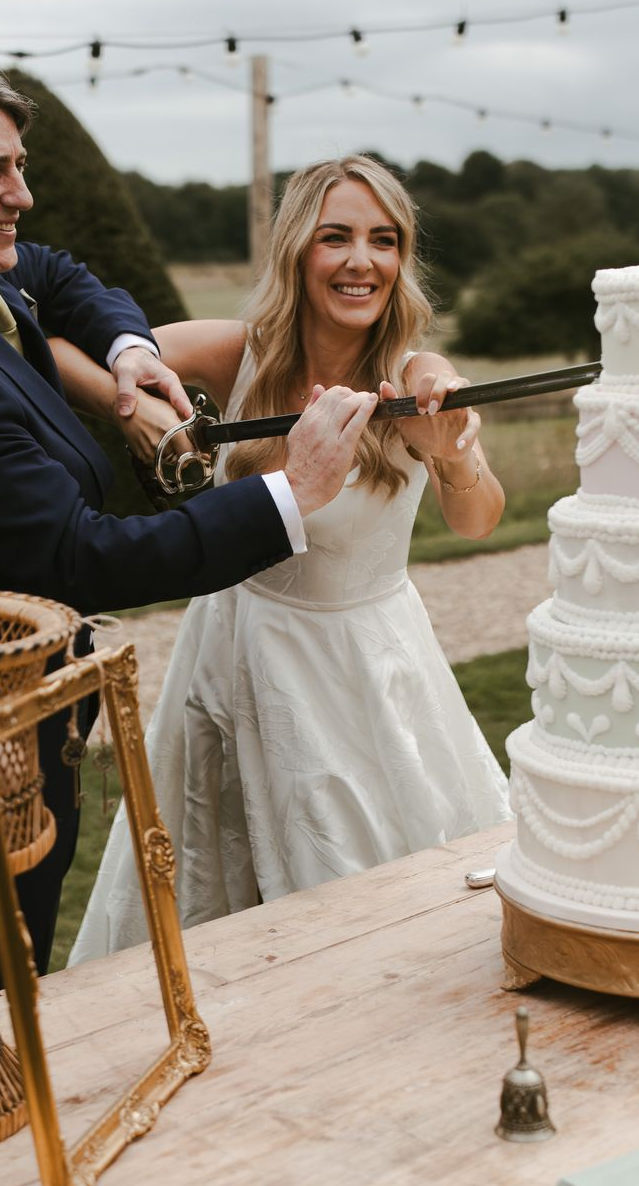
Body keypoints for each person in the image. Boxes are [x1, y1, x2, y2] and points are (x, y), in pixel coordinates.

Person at [0, 53, 378, 997]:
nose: (22, 195)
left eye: (19, 165)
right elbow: (83, 558)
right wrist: (291, 492)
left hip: (12, 712)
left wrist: (127, 349)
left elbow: (58, 273)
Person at [69, 155, 512, 963]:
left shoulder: (414, 376)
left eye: (383, 240)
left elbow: (478, 519)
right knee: (208, 881)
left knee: (364, 894)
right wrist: (128, 406)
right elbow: (69, 350)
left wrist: (450, 453)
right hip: (231, 645)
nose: (360, 261)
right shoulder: (239, 353)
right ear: (297, 250)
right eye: (335, 237)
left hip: (362, 668)